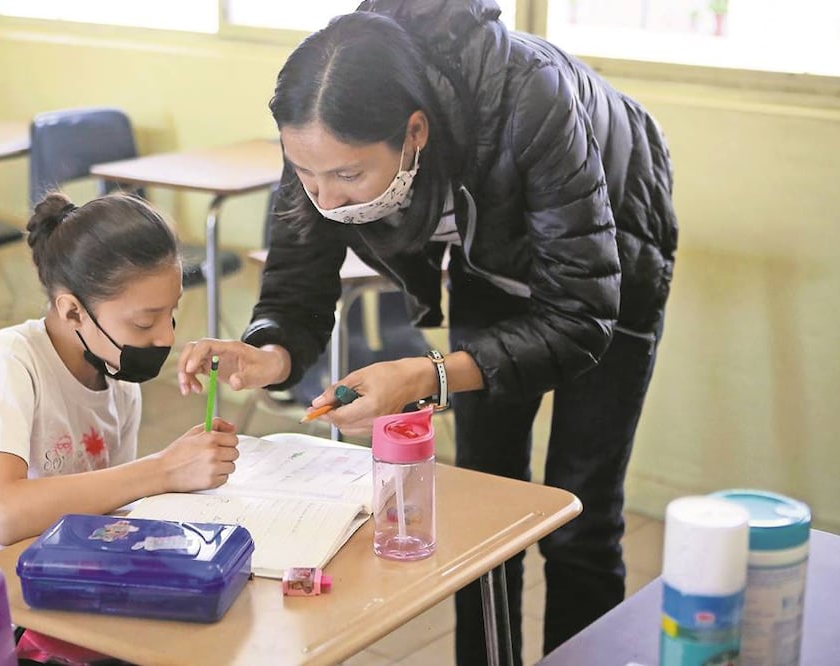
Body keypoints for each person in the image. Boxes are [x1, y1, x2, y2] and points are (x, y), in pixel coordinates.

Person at [177, 1, 677, 663]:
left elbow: (580, 317)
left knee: (577, 514)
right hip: (488, 264)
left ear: (414, 131)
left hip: (610, 261)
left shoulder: (529, 98)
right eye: (305, 174)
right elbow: (298, 277)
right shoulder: (325, 121)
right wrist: (267, 354)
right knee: (482, 510)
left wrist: (427, 374)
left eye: (348, 177)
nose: (325, 198)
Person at [0, 192, 241, 619]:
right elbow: (5, 515)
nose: (166, 338)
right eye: (143, 321)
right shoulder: (7, 362)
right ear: (73, 312)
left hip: (59, 582)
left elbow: (110, 510)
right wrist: (164, 470)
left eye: (170, 313)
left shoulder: (116, 379)